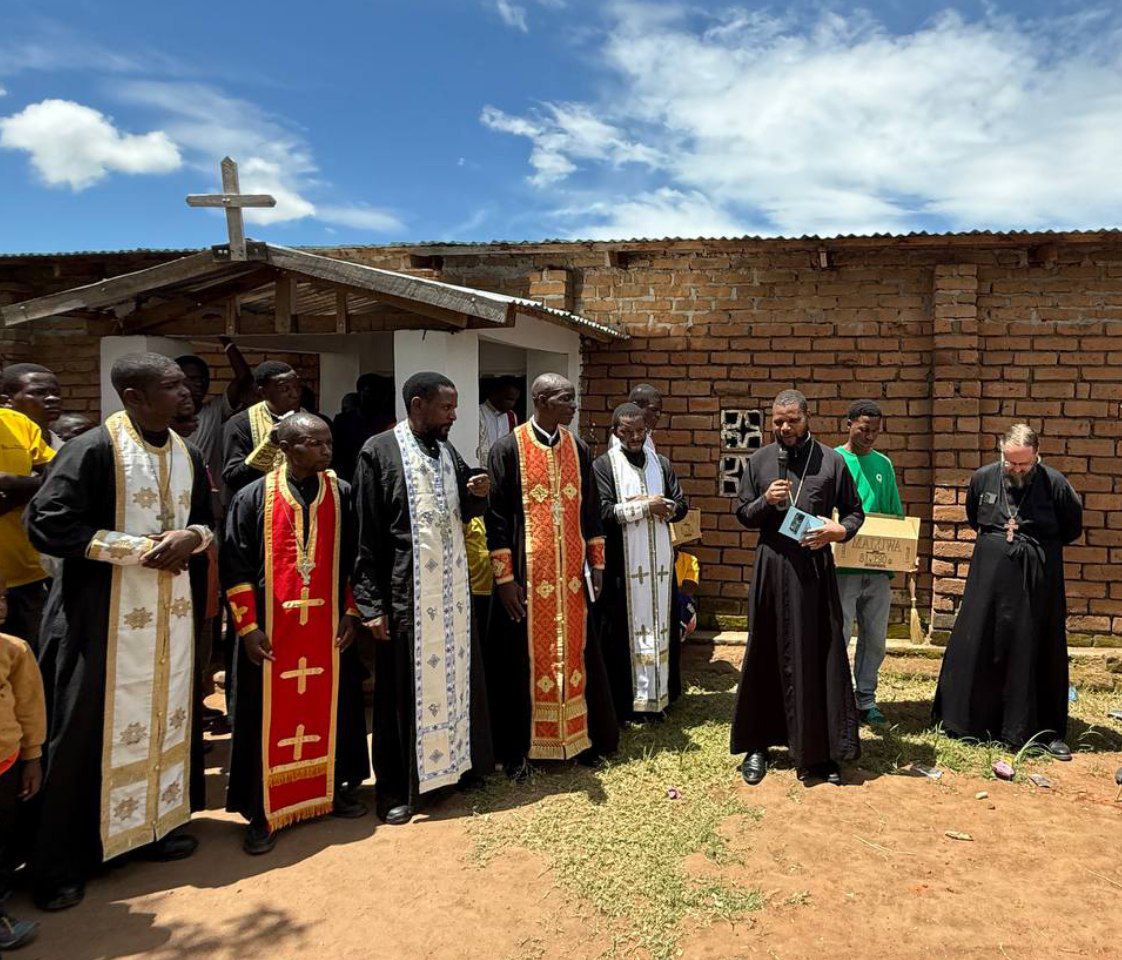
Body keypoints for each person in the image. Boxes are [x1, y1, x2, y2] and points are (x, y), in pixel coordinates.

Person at [25, 353, 214, 910]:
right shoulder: (93, 450)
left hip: (171, 618)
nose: (185, 393)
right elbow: (46, 522)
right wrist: (137, 550)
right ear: (134, 396)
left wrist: (192, 538)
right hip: (99, 618)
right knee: (82, 731)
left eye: (184, 385)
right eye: (172, 386)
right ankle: (62, 861)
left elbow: (207, 520)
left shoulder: (186, 452)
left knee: (167, 714)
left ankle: (152, 827)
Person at [222, 413, 369, 853]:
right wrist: (248, 627)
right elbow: (235, 565)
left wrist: (352, 612)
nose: (326, 450)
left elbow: (357, 559)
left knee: (335, 708)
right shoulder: (252, 497)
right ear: (286, 448)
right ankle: (263, 810)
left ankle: (331, 789)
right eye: (315, 443)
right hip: (272, 633)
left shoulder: (342, 494)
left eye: (329, 443)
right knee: (262, 716)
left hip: (327, 629)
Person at [353, 372, 493, 824]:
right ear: (418, 405)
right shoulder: (379, 452)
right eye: (446, 408)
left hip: (451, 596)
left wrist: (477, 493)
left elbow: (463, 508)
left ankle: (457, 769)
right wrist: (371, 605)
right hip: (406, 596)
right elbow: (366, 534)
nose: (454, 416)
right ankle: (397, 790)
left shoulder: (446, 450)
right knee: (400, 694)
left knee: (457, 681)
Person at [486, 373, 618, 778]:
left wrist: (597, 565)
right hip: (528, 578)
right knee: (521, 662)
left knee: (580, 654)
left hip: (572, 579)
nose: (573, 406)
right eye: (565, 399)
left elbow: (591, 511)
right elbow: (496, 518)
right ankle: (518, 750)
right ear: (541, 400)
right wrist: (505, 580)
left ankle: (582, 739)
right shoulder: (508, 448)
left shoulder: (578, 447)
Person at [730, 389, 864, 787]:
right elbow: (743, 514)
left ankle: (819, 751)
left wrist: (839, 532)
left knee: (816, 650)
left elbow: (854, 512)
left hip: (813, 569)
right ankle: (758, 745)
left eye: (792, 420)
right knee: (765, 651)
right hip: (772, 566)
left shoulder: (832, 461)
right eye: (778, 421)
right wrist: (764, 502)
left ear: (807, 418)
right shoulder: (758, 460)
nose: (785, 427)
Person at [933, 424, 1083, 757]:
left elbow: (1071, 528)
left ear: (1037, 455)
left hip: (1036, 584)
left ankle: (1041, 730)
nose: (1016, 469)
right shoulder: (983, 478)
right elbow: (975, 517)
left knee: (1034, 647)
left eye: (1023, 464)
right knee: (982, 641)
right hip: (988, 580)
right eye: (1010, 462)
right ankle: (972, 723)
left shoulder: (1055, 484)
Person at [593, 402, 689, 720]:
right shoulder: (604, 466)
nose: (635, 437)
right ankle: (627, 703)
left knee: (662, 626)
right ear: (615, 432)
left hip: (659, 565)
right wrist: (645, 507)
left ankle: (661, 697)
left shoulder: (661, 463)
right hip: (623, 566)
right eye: (628, 432)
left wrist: (666, 506)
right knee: (621, 630)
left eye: (640, 431)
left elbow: (681, 504)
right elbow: (602, 511)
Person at [835, 400, 904, 726]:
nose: (870, 436)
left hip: (876, 569)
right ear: (848, 424)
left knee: (875, 638)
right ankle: (837, 697)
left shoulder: (883, 465)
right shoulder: (833, 460)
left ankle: (866, 699)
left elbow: (894, 514)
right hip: (842, 569)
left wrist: (900, 552)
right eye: (864, 429)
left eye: (875, 431)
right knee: (839, 634)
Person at [0, 575, 46, 950]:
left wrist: (32, 757)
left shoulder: (14, 651)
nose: (0, 606)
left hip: (7, 764)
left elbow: (30, 709)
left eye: (1, 597)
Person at [0, 406, 55, 651]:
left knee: (24, 662)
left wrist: (16, 487)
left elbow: (61, 475)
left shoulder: (18, 423)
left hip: (23, 579)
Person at [176, 338, 255, 491]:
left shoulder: (214, 411)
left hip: (205, 493)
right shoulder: (160, 418)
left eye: (203, 378)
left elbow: (244, 377)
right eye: (192, 379)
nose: (200, 383)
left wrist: (226, 341)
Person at [221, 361, 302, 498]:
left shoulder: (314, 422)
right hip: (259, 504)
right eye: (285, 389)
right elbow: (233, 478)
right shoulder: (240, 423)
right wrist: (270, 444)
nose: (295, 394)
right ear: (263, 392)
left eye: (297, 387)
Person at [333, 373, 396, 482]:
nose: (374, 397)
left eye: (378, 392)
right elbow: (337, 456)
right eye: (369, 392)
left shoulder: (388, 421)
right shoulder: (343, 421)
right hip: (350, 476)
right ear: (360, 393)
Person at [1, 363, 63, 450]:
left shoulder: (69, 449)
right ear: (6, 400)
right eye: (39, 393)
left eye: (56, 393)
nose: (53, 398)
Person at [477, 376, 521, 466]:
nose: (512, 404)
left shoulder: (512, 416)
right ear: (496, 393)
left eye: (515, 400)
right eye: (509, 399)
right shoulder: (478, 413)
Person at [609, 384, 661, 455]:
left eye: (659, 411)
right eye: (653, 409)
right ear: (636, 406)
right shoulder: (621, 437)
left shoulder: (647, 439)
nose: (658, 415)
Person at [675, 551, 701, 639]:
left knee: (679, 597)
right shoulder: (651, 561)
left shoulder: (689, 560)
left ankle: (680, 629)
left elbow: (688, 589)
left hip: (682, 601)